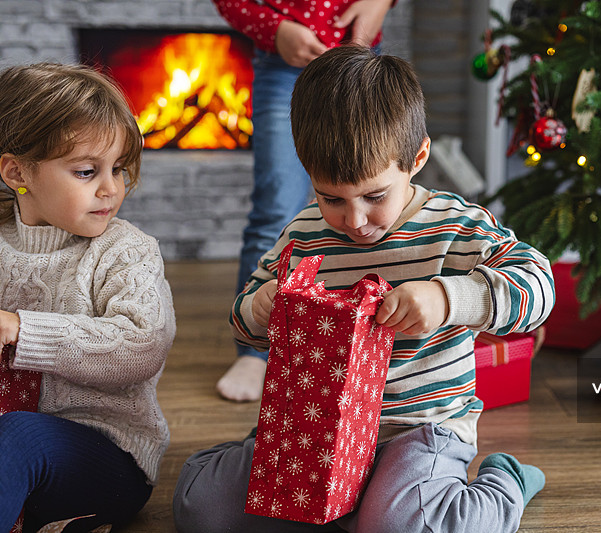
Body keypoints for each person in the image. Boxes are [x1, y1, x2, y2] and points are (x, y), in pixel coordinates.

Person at [173, 46, 555, 533]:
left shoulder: (456, 227)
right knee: (199, 507)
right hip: (313, 424)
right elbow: (246, 326)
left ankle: (505, 484)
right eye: (331, 197)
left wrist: (447, 298)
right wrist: (261, 309)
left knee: (399, 525)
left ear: (416, 158)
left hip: (418, 431)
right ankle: (337, 497)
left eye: (374, 196)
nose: (354, 221)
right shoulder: (305, 232)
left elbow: (538, 286)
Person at [0, 63, 176, 532]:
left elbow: (141, 347)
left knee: (17, 438)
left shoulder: (126, 251)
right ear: (18, 172)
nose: (110, 188)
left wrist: (22, 328)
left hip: (103, 457)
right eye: (86, 171)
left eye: (117, 169)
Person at [211, 0, 396, 402]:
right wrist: (274, 30)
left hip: (360, 60)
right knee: (275, 205)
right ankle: (256, 351)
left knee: (369, 201)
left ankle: (362, 337)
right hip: (283, 61)